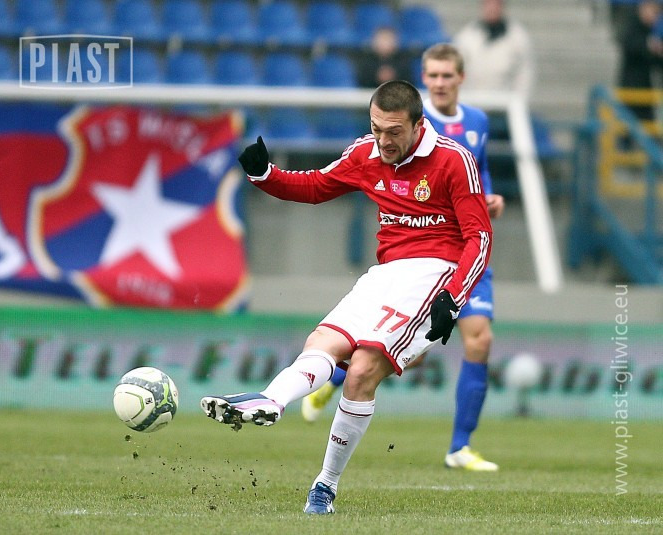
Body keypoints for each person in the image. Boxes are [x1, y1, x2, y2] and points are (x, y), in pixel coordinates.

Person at [200, 80, 493, 514]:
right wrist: (265, 175)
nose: (383, 140)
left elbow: (479, 236)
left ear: (419, 125)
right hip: (385, 274)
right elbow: (316, 186)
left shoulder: (453, 160)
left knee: (362, 369)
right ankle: (271, 399)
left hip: (434, 274)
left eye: (394, 131)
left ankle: (325, 485)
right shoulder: (365, 153)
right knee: (323, 341)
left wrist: (453, 295)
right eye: (376, 128)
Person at [302, 44, 504, 473]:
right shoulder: (407, 124)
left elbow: (479, 171)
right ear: (423, 80)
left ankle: (460, 446)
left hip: (467, 250)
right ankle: (338, 377)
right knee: (416, 353)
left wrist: (490, 198)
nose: (440, 83)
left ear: (461, 78)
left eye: (447, 75)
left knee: (479, 340)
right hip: (425, 257)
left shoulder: (478, 122)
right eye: (433, 75)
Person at [452, 0, 534, 99]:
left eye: (496, 4)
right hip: (473, 100)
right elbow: (456, 68)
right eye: (488, 4)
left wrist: (519, 99)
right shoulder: (467, 36)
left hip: (504, 102)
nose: (492, 8)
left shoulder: (517, 36)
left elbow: (525, 72)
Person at [615, 0, 663, 122]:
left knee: (647, 125)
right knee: (627, 124)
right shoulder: (632, 25)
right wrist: (649, 45)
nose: (655, 16)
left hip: (645, 87)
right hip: (630, 87)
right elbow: (629, 45)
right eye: (653, 12)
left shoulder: (652, 30)